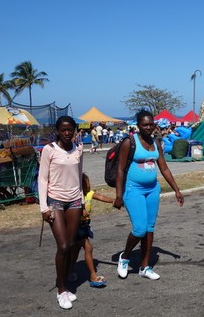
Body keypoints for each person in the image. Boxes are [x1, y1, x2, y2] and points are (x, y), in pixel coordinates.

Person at [114, 109, 184, 281]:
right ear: (138, 126)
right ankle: (125, 257)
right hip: (133, 190)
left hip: (152, 190)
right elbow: (120, 170)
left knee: (150, 228)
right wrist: (118, 195)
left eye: (150, 124)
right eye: (144, 124)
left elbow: (164, 168)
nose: (148, 127)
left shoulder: (156, 143)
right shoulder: (129, 142)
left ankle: (145, 266)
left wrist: (176, 189)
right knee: (139, 229)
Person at [38, 116, 84, 310]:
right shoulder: (49, 150)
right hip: (55, 201)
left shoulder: (79, 149)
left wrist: (82, 200)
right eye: (63, 130)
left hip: (74, 201)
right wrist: (43, 207)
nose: (67, 133)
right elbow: (42, 179)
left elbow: (79, 174)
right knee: (63, 246)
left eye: (70, 130)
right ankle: (61, 289)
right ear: (57, 130)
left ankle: (66, 277)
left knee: (73, 245)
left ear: (74, 131)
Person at [69, 173, 114, 288]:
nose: (88, 185)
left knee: (76, 250)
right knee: (88, 248)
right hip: (76, 226)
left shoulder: (89, 194)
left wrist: (114, 200)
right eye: (86, 183)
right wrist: (80, 211)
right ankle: (93, 276)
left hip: (85, 226)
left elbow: (102, 197)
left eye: (89, 182)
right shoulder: (75, 197)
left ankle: (68, 270)